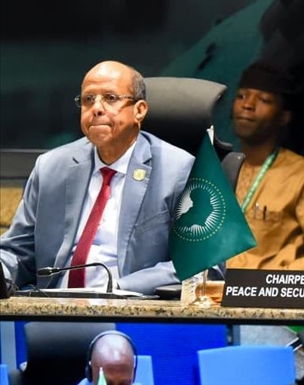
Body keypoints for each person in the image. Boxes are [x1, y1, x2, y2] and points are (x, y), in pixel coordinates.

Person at [0, 61, 193, 295]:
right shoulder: (51, 167)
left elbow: (200, 263)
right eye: (88, 99)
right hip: (51, 304)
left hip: (130, 307)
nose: (97, 108)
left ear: (139, 110)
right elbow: (18, 252)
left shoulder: (178, 170)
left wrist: (119, 288)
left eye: (110, 98)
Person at [226, 62, 304, 270]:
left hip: (266, 288)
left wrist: (272, 281)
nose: (248, 105)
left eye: (263, 99)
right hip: (207, 288)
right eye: (242, 96)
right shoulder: (214, 168)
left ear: (283, 116)